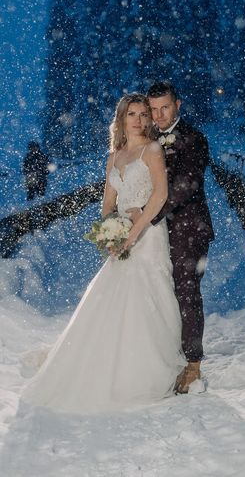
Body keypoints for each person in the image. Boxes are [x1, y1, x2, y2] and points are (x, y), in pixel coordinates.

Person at [22, 93, 185, 414]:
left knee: (148, 295)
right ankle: (107, 363)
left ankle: (143, 370)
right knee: (111, 296)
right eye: (131, 114)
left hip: (149, 234)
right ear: (122, 120)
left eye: (142, 114)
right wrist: (112, 231)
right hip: (124, 234)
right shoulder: (115, 157)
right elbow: (108, 204)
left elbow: (161, 195)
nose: (138, 120)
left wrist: (135, 232)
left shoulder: (153, 151)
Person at [145, 81, 214, 394]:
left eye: (165, 107)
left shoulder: (194, 139)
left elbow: (185, 186)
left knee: (186, 294)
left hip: (188, 230)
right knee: (155, 293)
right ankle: (159, 358)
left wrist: (148, 216)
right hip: (154, 233)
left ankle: (193, 363)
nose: (159, 115)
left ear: (178, 105)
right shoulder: (146, 139)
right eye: (154, 109)